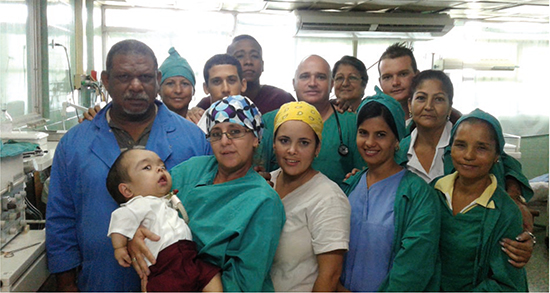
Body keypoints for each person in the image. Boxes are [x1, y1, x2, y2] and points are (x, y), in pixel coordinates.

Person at [45, 39, 212, 292]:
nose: (136, 86)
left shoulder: (192, 140)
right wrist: (66, 284)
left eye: (145, 77)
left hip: (177, 281)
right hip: (102, 279)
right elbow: (61, 218)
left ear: (157, 79)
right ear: (106, 80)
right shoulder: (75, 143)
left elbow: (209, 212)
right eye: (124, 76)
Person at [128, 95, 286, 292]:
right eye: (216, 134)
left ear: (255, 138)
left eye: (235, 132)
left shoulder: (263, 202)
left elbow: (245, 283)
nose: (225, 141)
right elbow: (144, 203)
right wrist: (133, 234)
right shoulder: (190, 170)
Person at [395, 69, 535, 268]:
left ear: (450, 106)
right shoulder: (397, 150)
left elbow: (503, 162)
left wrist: (516, 201)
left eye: (438, 99)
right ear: (410, 103)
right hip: (412, 256)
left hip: (465, 262)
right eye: (421, 98)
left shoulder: (465, 146)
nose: (428, 107)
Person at [340, 88, 440, 292]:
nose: (369, 143)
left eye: (381, 135)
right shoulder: (349, 186)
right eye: (363, 133)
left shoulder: (418, 195)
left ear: (397, 141)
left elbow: (413, 268)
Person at [434, 108, 528, 291]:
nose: (469, 155)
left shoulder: (505, 212)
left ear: (496, 157)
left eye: (481, 148)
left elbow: (506, 283)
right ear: (450, 148)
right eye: (460, 145)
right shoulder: (434, 192)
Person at [106, 149, 222, 292]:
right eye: (147, 167)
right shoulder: (138, 204)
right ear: (127, 190)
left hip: (189, 257)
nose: (159, 169)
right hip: (164, 266)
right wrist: (120, 248)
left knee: (211, 274)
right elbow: (120, 218)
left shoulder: (168, 201)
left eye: (162, 166)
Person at [269, 101, 350, 292]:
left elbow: (330, 276)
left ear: (317, 148)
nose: (292, 150)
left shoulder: (328, 197)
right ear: (273, 144)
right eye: (284, 140)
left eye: (304, 143)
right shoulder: (265, 185)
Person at [258, 55, 365, 188]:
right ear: (294, 83)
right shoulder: (269, 121)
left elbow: (364, 174)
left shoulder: (351, 123)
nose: (312, 83)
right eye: (305, 76)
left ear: (331, 84)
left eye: (320, 77)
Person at [192, 35, 295, 119]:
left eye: (254, 56)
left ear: (263, 65)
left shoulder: (281, 99)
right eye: (240, 56)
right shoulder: (209, 104)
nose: (248, 62)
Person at [377, 42, 461, 124]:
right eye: (387, 77)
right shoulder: (373, 119)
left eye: (403, 74)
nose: (395, 83)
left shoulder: (454, 121)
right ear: (380, 82)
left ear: (416, 75)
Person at [190, 54, 247, 129]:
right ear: (206, 88)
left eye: (231, 80)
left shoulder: (258, 123)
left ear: (243, 85)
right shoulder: (194, 127)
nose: (225, 89)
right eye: (217, 81)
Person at [157, 47, 196, 118]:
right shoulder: (147, 124)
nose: (178, 90)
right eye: (170, 84)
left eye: (184, 84)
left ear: (193, 90)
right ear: (159, 89)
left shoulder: (202, 121)